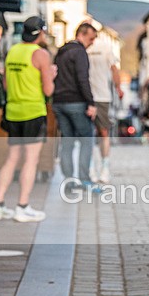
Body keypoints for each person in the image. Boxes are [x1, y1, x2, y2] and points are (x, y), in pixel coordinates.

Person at [0, 16, 55, 222]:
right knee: (31, 160)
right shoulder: (41, 55)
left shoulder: (13, 52)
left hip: (13, 111)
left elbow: (7, 86)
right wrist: (51, 75)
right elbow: (48, 90)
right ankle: (22, 206)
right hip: (33, 111)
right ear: (41, 33)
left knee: (11, 158)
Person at [53, 22, 98, 190]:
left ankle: (68, 181)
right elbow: (82, 79)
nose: (92, 42)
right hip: (76, 102)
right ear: (82, 34)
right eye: (91, 38)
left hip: (59, 102)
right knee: (87, 139)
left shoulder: (61, 52)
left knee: (67, 142)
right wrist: (91, 103)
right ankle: (84, 179)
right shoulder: (80, 53)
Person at [87, 35, 123, 183]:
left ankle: (105, 166)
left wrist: (118, 87)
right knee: (87, 134)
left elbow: (114, 69)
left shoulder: (105, 47)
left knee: (103, 132)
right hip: (87, 95)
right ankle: (90, 167)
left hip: (102, 96)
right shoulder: (82, 46)